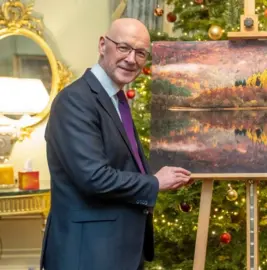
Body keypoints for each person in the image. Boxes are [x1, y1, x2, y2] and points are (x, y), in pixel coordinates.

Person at [40, 18, 192, 270]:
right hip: (88, 254)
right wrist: (155, 182)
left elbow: (120, 165)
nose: (132, 59)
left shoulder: (115, 100)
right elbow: (93, 177)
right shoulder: (75, 101)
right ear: (102, 45)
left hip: (116, 251)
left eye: (141, 53)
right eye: (124, 48)